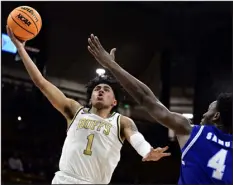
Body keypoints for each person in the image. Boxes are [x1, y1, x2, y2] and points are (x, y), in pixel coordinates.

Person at [6, 26, 171, 184]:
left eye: (106, 90)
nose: (100, 91)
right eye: (97, 89)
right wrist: (21, 49)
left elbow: (136, 138)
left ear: (114, 101)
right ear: (91, 97)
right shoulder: (74, 111)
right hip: (64, 180)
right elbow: (41, 82)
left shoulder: (122, 122)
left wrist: (147, 151)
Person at [87, 33, 232, 184]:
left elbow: (146, 98)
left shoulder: (192, 132)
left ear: (216, 116)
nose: (203, 114)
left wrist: (112, 65)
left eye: (209, 109)